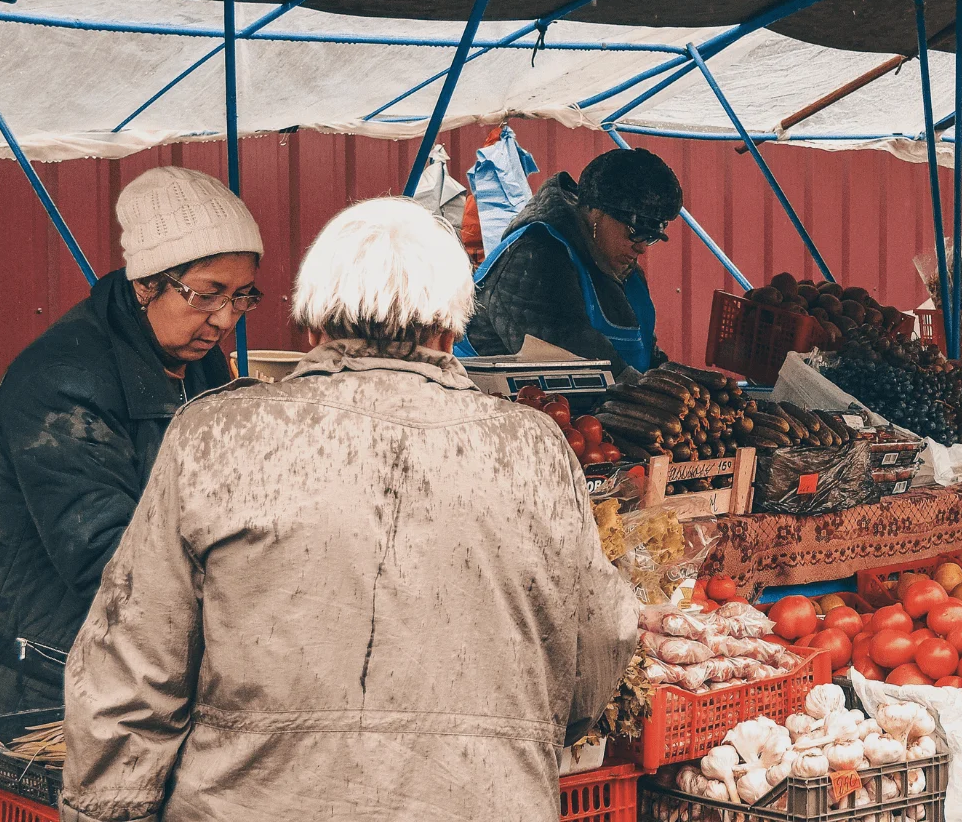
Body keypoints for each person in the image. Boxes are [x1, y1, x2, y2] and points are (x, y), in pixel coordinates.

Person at [60, 198, 638, 822]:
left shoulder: (216, 437)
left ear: (313, 326)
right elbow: (597, 648)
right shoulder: (533, 451)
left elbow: (130, 670)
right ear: (450, 330)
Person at [0, 166, 262, 712]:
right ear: (147, 283)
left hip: (130, 657)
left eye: (242, 296)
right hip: (36, 671)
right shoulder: (61, 385)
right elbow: (110, 563)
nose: (224, 319)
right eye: (207, 294)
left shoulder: (196, 362)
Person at [464, 147, 681, 376]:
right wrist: (647, 391)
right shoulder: (534, 257)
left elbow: (646, 353)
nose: (642, 247)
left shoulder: (625, 269)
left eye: (650, 238)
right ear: (597, 212)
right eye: (634, 232)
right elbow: (573, 358)